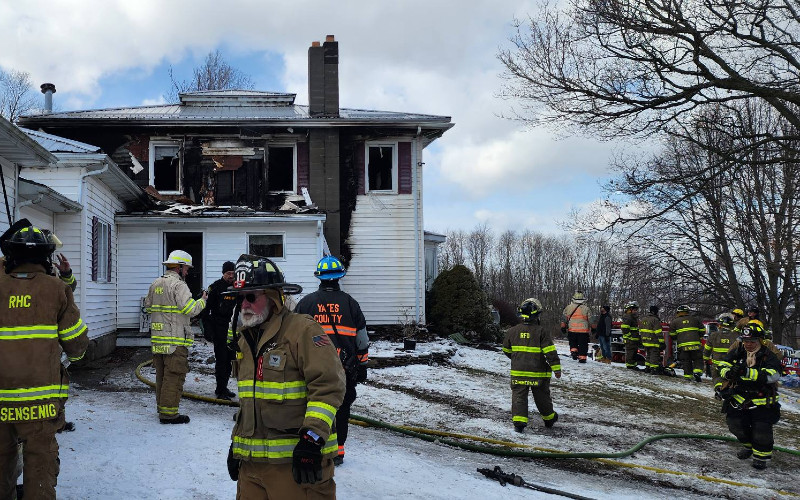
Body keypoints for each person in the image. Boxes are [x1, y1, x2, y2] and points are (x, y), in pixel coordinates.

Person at [224, 254, 345, 499]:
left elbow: (329, 386)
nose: (244, 305)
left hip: (297, 469)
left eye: (251, 297)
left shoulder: (302, 330)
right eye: (240, 298)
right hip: (251, 468)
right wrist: (236, 445)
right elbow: (251, 401)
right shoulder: (245, 340)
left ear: (272, 298)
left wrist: (311, 440)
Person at [0, 225, 89, 500]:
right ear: (46, 257)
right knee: (40, 461)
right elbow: (76, 347)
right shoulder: (57, 289)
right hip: (40, 401)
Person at [295, 255, 369, 466]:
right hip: (343, 371)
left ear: (319, 277)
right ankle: (338, 451)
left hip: (310, 369)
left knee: (312, 407)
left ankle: (311, 446)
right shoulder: (351, 304)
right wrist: (362, 365)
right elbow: (362, 341)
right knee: (341, 409)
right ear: (339, 277)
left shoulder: (305, 303)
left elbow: (291, 337)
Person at [144, 250, 207, 423]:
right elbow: (190, 309)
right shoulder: (179, 285)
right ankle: (169, 414)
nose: (187, 272)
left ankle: (162, 408)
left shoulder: (156, 283)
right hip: (175, 341)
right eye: (186, 268)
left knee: (162, 376)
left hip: (158, 341)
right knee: (174, 377)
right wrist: (203, 301)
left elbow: (148, 307)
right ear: (179, 267)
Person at [718, 324, 782, 470]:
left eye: (752, 341)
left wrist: (746, 373)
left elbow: (774, 375)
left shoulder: (768, 355)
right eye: (746, 341)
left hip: (762, 400)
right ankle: (749, 447)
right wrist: (727, 373)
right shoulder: (738, 351)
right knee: (735, 424)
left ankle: (761, 457)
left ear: (760, 341)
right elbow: (722, 364)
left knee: (761, 429)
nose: (748, 344)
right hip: (739, 397)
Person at [503, 298, 561, 432]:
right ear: (537, 315)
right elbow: (550, 353)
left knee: (519, 397)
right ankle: (549, 419)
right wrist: (556, 369)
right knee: (542, 397)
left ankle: (519, 424)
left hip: (518, 372)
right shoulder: (541, 332)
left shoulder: (512, 331)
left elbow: (506, 350)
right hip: (538, 374)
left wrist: (517, 358)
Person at [202, 261, 238, 400]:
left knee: (230, 360)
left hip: (233, 330)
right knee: (221, 361)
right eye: (228, 273)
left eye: (233, 273)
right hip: (219, 329)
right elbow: (206, 311)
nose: (231, 276)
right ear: (223, 273)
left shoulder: (238, 287)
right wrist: (208, 329)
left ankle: (224, 387)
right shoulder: (216, 288)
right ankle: (220, 390)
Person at [704, 313, 740, 394]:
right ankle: (728, 390)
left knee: (717, 378)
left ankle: (719, 389)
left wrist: (706, 359)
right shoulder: (736, 335)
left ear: (719, 324)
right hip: (732, 364)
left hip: (717, 364)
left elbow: (707, 349)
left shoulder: (714, 335)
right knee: (730, 379)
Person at [669, 305, 704, 382]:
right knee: (698, 359)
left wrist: (678, 337)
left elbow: (672, 335)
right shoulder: (695, 320)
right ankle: (697, 372)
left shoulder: (674, 322)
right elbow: (703, 331)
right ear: (687, 312)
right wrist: (698, 336)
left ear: (678, 312)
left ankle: (688, 376)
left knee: (686, 360)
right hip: (695, 345)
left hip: (683, 346)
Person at [561, 291, 591, 363]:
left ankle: (574, 352)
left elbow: (563, 319)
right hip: (583, 331)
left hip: (572, 330)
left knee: (573, 342)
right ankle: (582, 358)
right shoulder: (586, 308)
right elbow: (591, 320)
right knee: (583, 345)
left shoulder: (568, 308)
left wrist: (563, 327)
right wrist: (594, 329)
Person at [639, 305, 665, 374]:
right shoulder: (655, 320)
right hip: (653, 341)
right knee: (654, 355)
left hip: (645, 341)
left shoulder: (643, 319)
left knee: (648, 355)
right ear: (654, 312)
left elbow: (640, 330)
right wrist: (662, 342)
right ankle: (654, 369)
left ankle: (647, 367)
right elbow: (658, 332)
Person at [621, 301, 641, 371]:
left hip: (633, 339)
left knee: (634, 353)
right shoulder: (628, 317)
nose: (636, 311)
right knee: (630, 353)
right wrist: (630, 337)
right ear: (630, 309)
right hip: (630, 340)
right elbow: (624, 328)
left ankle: (633, 365)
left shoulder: (632, 317)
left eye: (636, 310)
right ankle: (630, 367)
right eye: (635, 310)